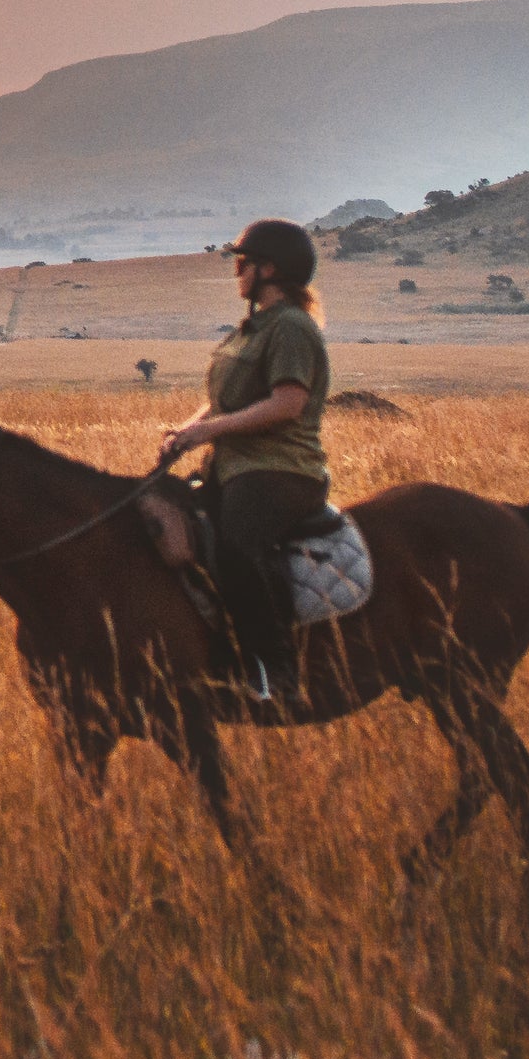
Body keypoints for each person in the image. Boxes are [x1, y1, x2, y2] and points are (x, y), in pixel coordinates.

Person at [159, 216, 334, 702]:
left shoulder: (292, 327)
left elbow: (287, 403)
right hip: (232, 468)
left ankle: (276, 670)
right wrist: (186, 432)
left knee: (238, 547)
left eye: (243, 263)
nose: (236, 272)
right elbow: (223, 403)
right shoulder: (252, 329)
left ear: (269, 270)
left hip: (280, 471)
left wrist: (208, 432)